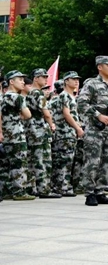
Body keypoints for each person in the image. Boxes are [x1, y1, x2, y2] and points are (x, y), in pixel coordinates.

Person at [77, 56, 108, 206]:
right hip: (95, 129)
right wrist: (98, 115)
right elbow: (81, 103)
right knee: (92, 161)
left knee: (107, 161)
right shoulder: (91, 83)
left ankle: (100, 191)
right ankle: (89, 193)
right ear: (100, 67)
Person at [1, 71, 35, 201]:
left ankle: (5, 190)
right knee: (19, 163)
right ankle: (19, 191)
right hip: (17, 134)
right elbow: (28, 115)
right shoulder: (18, 97)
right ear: (11, 81)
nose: (23, 82)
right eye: (20, 79)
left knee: (5, 164)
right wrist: (18, 116)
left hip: (6, 134)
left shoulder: (2, 97)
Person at [25, 68, 58, 198]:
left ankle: (31, 187)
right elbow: (46, 112)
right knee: (43, 160)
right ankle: (44, 189)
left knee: (32, 160)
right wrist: (51, 124)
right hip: (40, 130)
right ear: (35, 78)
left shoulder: (28, 93)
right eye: (43, 77)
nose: (46, 79)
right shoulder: (39, 94)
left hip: (30, 130)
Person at [50, 72, 84, 197]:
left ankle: (64, 185)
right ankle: (61, 186)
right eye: (73, 79)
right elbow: (67, 114)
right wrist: (78, 128)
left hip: (69, 133)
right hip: (64, 133)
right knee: (63, 161)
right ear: (66, 81)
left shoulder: (71, 96)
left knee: (68, 161)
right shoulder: (64, 95)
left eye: (77, 79)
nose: (76, 81)